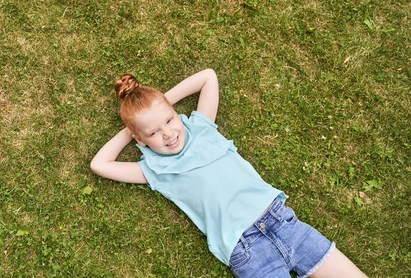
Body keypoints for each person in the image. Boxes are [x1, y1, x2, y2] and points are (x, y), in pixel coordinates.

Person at [91, 69, 366, 278]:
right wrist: (132, 130)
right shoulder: (154, 169)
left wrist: (162, 104)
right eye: (153, 133)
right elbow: (100, 164)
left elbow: (208, 76)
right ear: (140, 141)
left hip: (283, 222)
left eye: (169, 120)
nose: (168, 133)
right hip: (246, 249)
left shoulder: (202, 128)